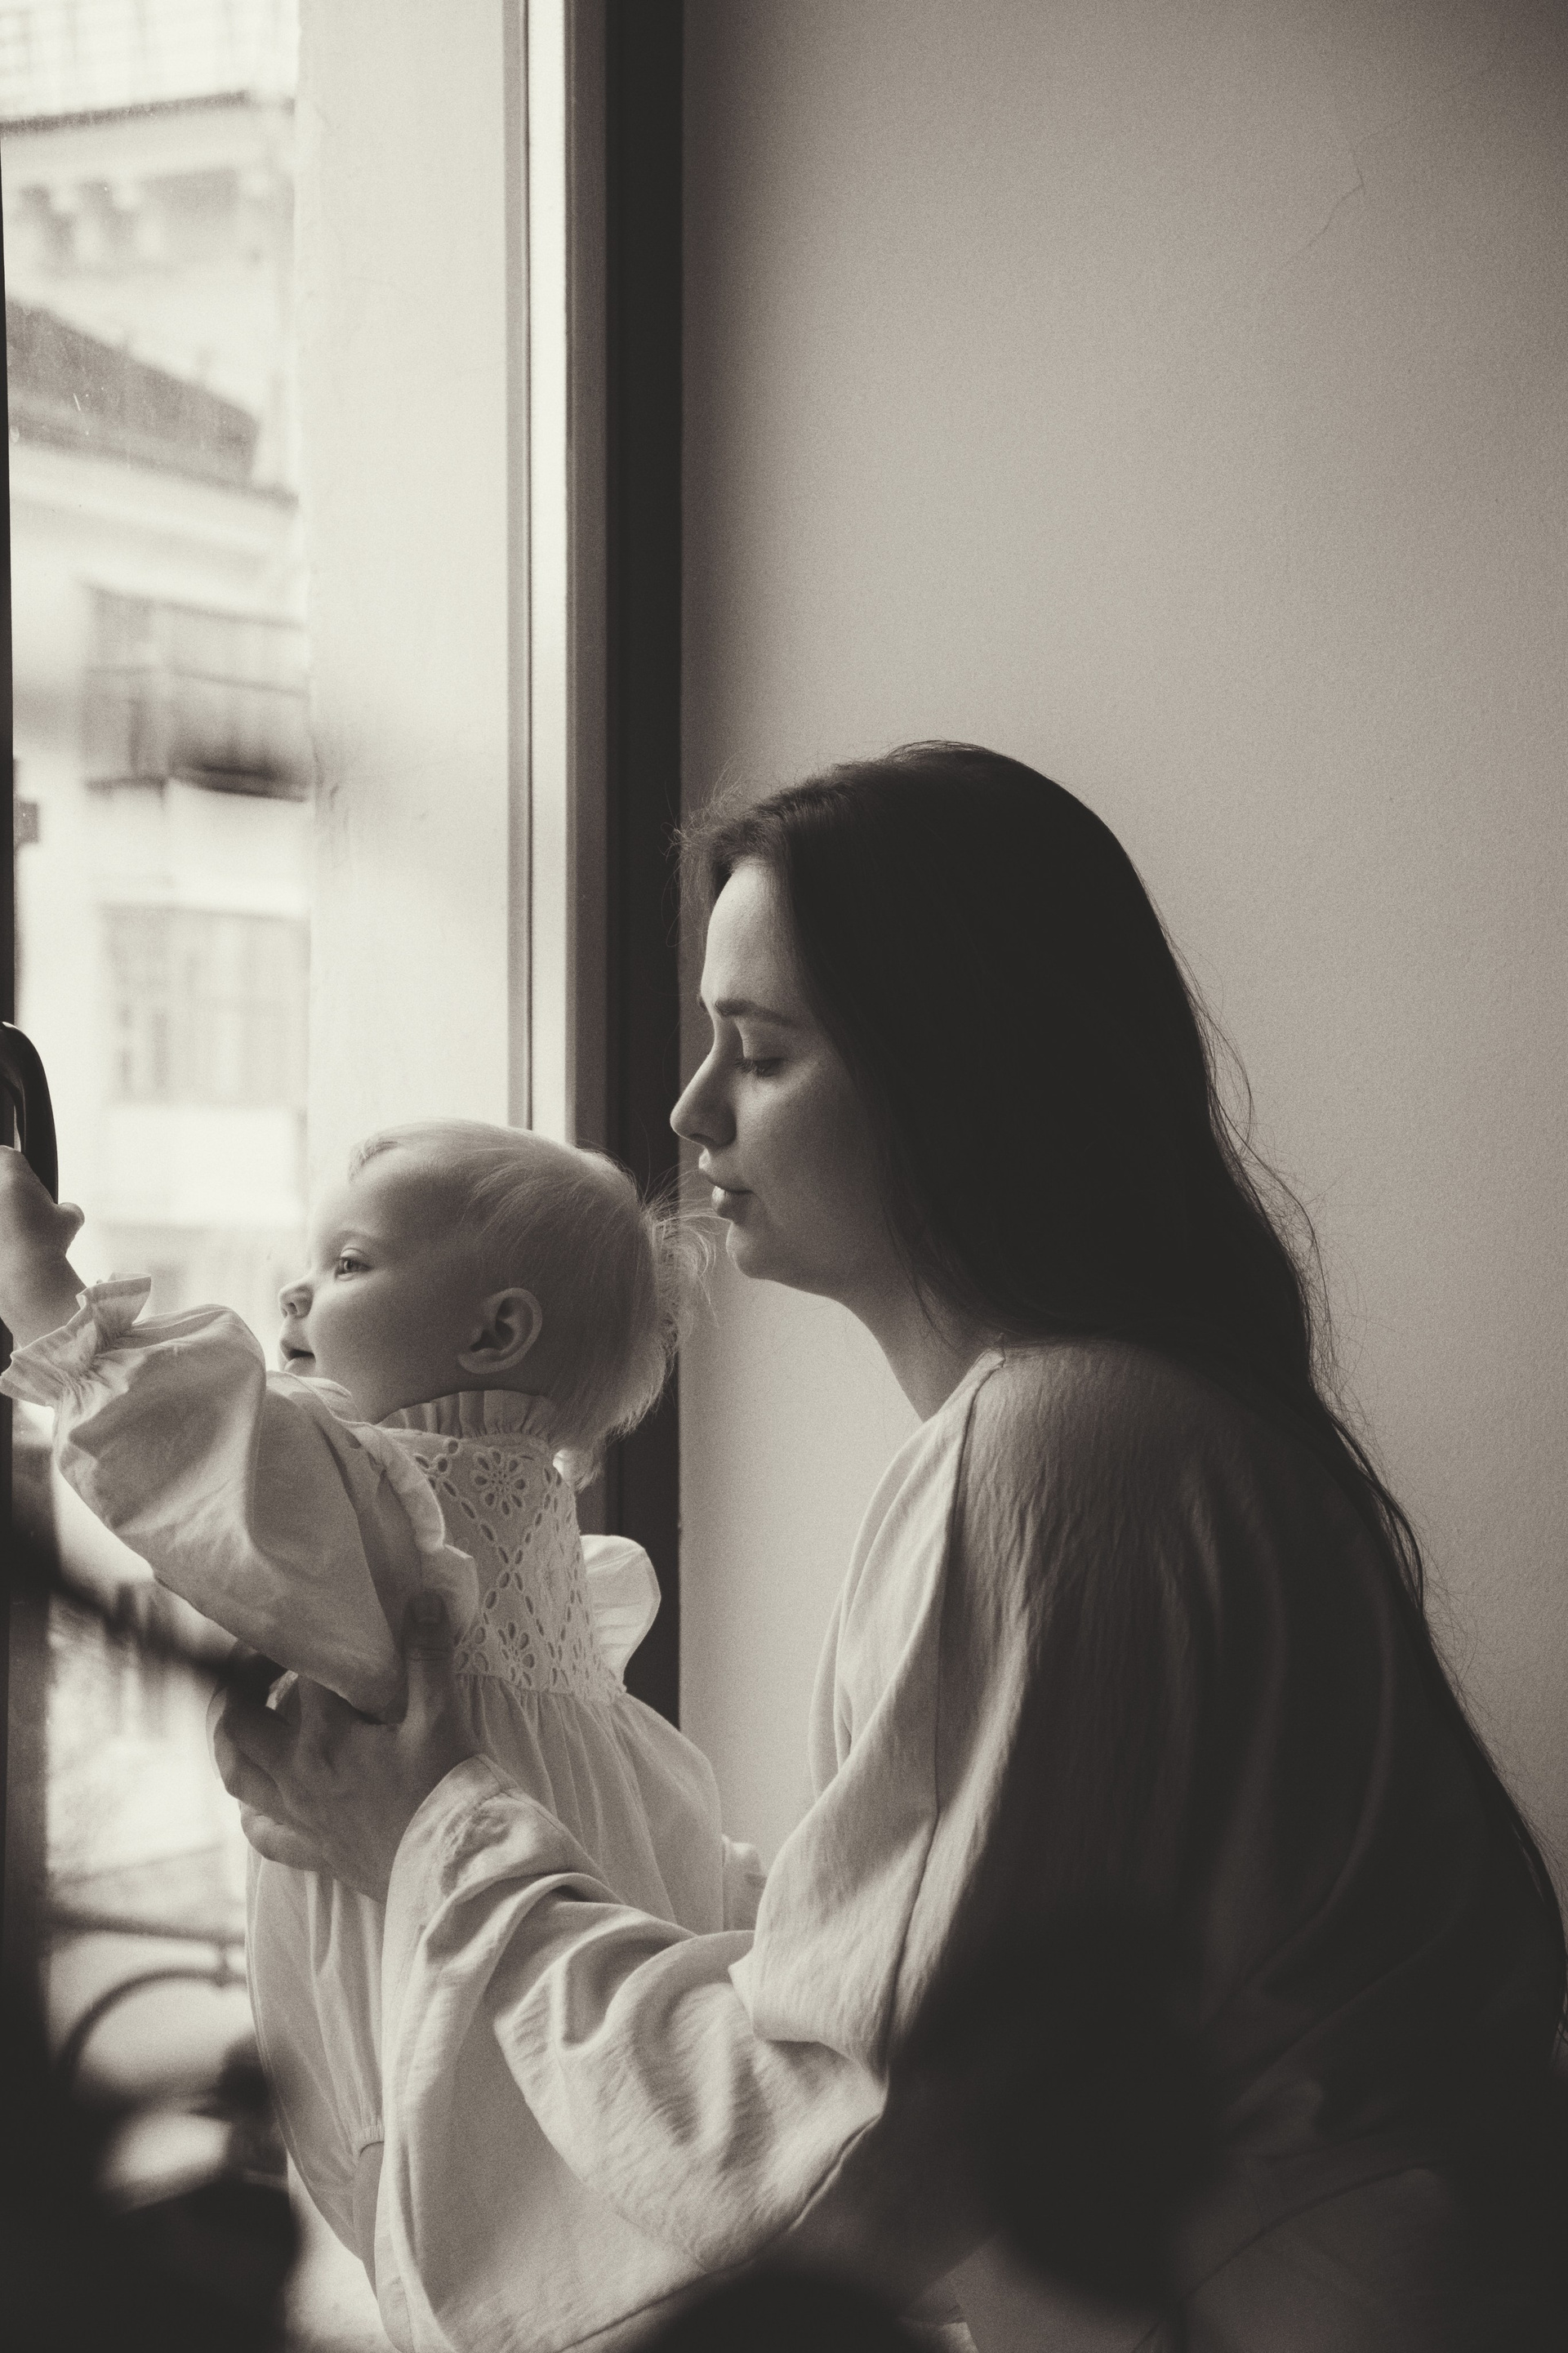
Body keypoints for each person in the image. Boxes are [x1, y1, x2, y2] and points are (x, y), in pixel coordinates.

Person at [208, 746, 1566, 2352]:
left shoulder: (1059, 1448)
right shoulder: (1148, 1427)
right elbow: (931, 1992)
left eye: (761, 1052)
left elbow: (845, 2146)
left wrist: (435, 1830)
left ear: (955, 1076)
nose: (689, 1111)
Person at [0, 1121, 756, 2333]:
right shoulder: (526, 1529)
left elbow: (200, 1459)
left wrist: (43, 1291)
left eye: (350, 1263)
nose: (296, 1291)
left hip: (439, 2037)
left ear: (495, 1333)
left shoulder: (398, 1514)